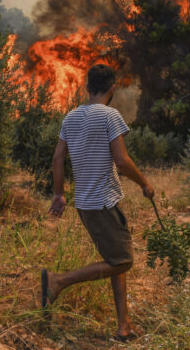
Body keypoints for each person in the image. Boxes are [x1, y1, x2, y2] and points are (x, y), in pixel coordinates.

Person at [41, 63, 155, 342]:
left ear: (87, 87)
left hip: (85, 204)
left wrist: (59, 194)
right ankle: (58, 281)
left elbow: (57, 158)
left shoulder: (71, 117)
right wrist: (144, 183)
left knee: (115, 258)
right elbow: (122, 159)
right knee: (123, 260)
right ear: (112, 88)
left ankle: (123, 326)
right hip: (103, 203)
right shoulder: (109, 115)